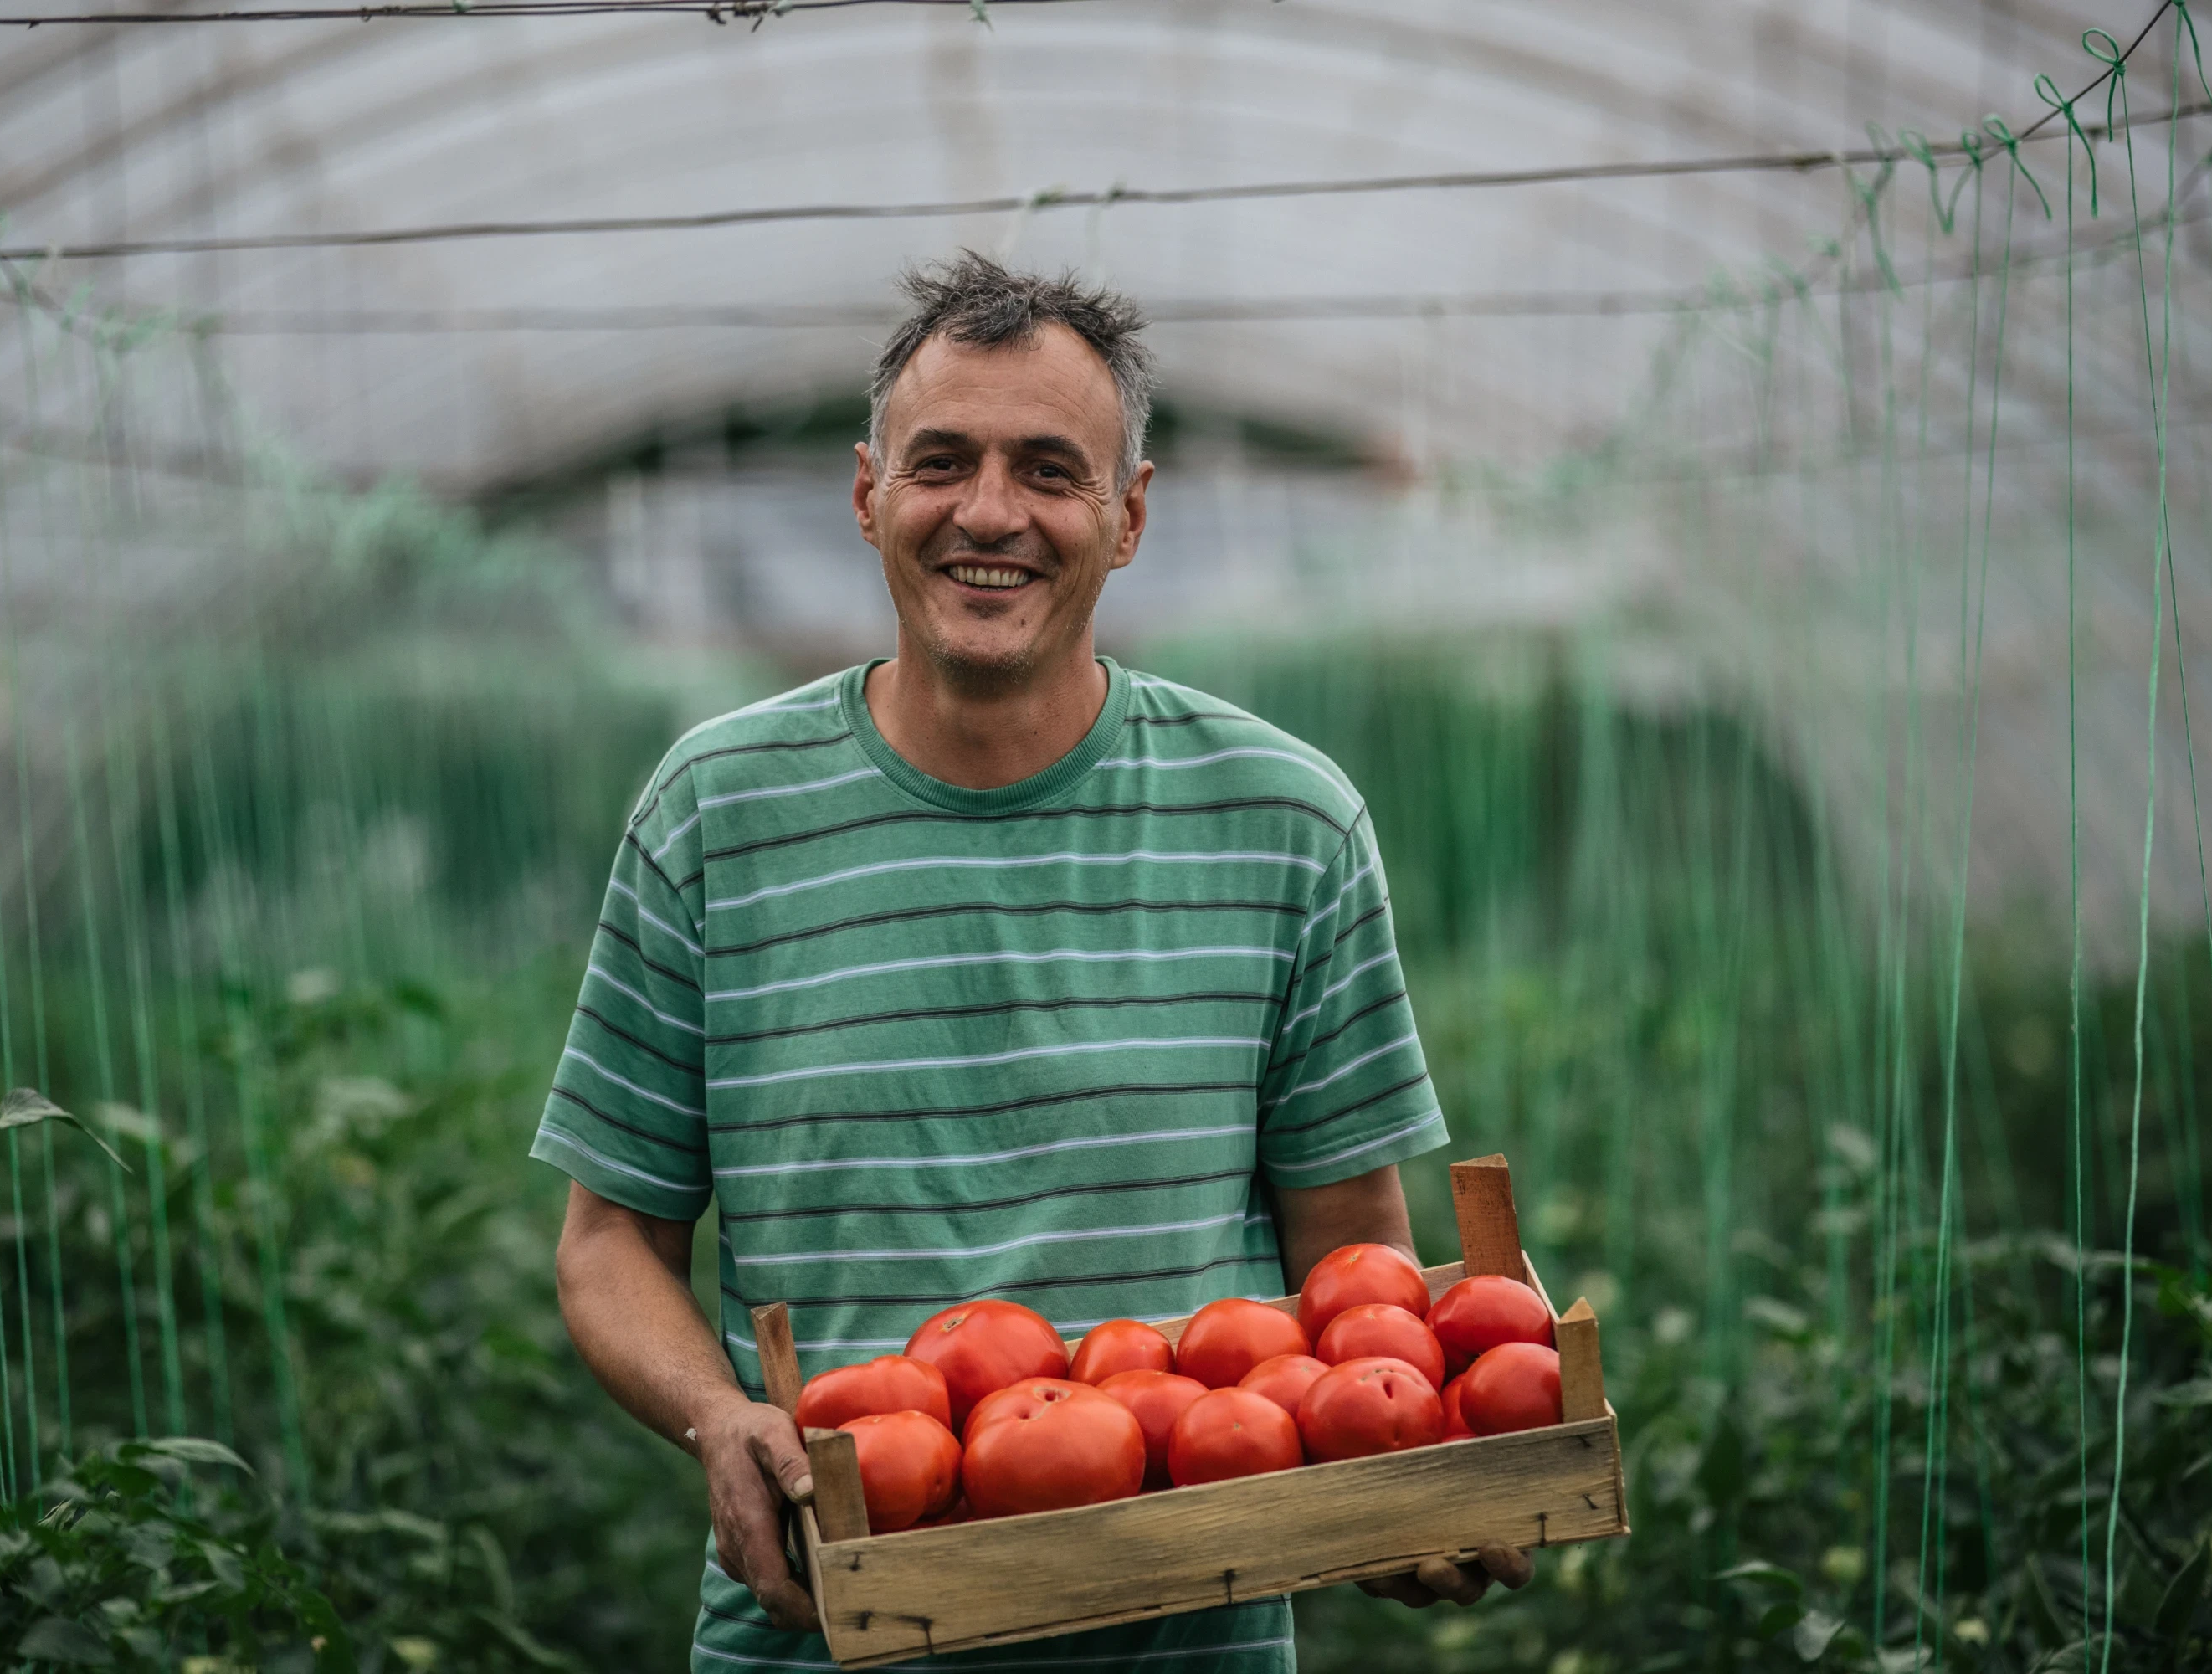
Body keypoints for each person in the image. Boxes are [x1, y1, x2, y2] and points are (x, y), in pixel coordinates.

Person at [537, 251, 1531, 1672]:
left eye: (1050, 471)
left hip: (1192, 1639)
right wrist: (720, 1414)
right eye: (942, 461)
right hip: (823, 1636)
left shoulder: (1288, 819)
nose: (988, 512)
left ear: (1127, 518)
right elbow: (609, 1242)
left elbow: (1348, 1249)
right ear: (868, 492)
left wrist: (1404, 1463)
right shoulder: (713, 811)